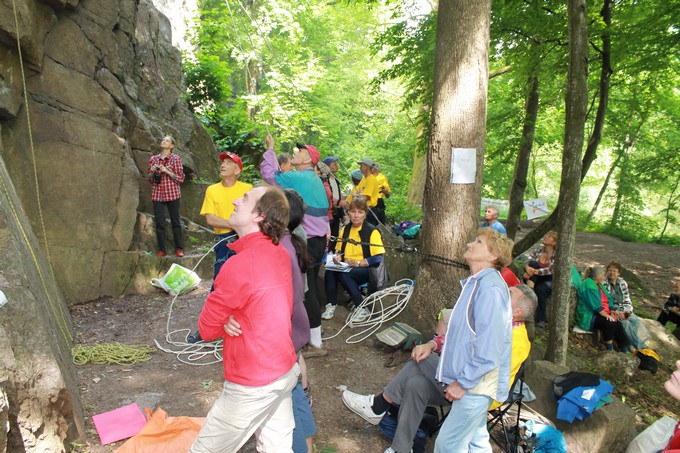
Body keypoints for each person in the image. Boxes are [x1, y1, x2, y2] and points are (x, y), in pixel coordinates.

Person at [341, 256, 531, 453]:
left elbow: (485, 372)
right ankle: (400, 448)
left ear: (517, 312)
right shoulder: (495, 322)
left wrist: (458, 379)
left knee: (421, 363)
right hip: (460, 380)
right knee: (416, 384)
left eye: (508, 294)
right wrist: (432, 344)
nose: (501, 294)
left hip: (475, 391)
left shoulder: (516, 339)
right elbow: (457, 343)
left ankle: (379, 404)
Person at [189, 184, 299, 453]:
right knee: (277, 447)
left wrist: (226, 319)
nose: (237, 200)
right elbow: (262, 305)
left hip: (252, 383)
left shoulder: (238, 265)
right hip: (283, 369)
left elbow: (206, 328)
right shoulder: (280, 253)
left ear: (259, 215)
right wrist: (231, 317)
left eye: (246, 198)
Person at [223, 189, 317, 453]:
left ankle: (301, 446)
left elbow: (272, 303)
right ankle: (308, 446)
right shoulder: (286, 243)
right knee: (294, 395)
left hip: (278, 345)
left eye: (244, 200)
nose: (236, 202)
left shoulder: (276, 249)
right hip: (289, 340)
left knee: (282, 408)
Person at [260, 134, 329, 353]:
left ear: (308, 158)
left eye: (300, 151)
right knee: (311, 288)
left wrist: (270, 149)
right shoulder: (314, 180)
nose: (296, 153)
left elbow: (270, 175)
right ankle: (313, 336)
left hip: (307, 242)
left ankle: (313, 341)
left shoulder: (301, 178)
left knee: (304, 290)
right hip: (317, 242)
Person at [186, 152, 252, 344]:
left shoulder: (247, 189)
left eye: (228, 163)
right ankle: (207, 329)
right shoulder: (212, 190)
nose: (223, 165)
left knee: (245, 282)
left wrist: (237, 226)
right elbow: (210, 218)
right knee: (219, 281)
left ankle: (243, 324)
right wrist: (234, 223)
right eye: (222, 162)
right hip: (223, 239)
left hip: (244, 238)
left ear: (237, 170)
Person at [322, 196, 386, 321]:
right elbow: (340, 251)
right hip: (347, 267)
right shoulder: (345, 229)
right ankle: (331, 305)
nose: (356, 215)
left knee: (344, 274)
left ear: (365, 214)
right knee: (330, 270)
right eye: (353, 212)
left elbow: (378, 258)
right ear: (349, 212)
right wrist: (338, 258)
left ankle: (361, 308)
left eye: (360, 212)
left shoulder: (372, 231)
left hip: (368, 270)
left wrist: (359, 263)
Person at [575, 265, 629, 351]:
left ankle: (624, 348)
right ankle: (610, 348)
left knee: (617, 323)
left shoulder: (599, 284)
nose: (605, 277)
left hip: (600, 313)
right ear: (597, 276)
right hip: (589, 316)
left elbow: (609, 298)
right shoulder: (589, 285)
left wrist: (612, 311)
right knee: (609, 322)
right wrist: (607, 316)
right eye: (603, 275)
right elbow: (595, 306)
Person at [147, 135, 185, 257]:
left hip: (173, 194)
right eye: (163, 139)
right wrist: (152, 171)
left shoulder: (176, 159)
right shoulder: (153, 159)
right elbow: (150, 180)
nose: (164, 141)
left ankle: (179, 248)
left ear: (172, 146)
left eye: (167, 140)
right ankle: (162, 249)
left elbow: (180, 178)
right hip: (158, 194)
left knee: (176, 222)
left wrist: (167, 171)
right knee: (160, 223)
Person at [601, 261, 646, 351]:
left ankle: (631, 344)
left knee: (635, 321)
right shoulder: (604, 283)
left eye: (614, 271)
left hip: (624, 309)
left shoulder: (622, 283)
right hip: (613, 310)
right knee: (625, 324)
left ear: (619, 273)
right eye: (610, 270)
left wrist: (626, 311)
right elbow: (605, 301)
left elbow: (627, 299)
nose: (612, 273)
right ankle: (639, 347)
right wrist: (617, 312)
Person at [523, 230, 557, 328]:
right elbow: (528, 261)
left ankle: (541, 319)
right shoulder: (538, 250)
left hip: (547, 279)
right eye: (546, 234)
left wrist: (534, 272)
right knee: (533, 264)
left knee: (541, 289)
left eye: (549, 236)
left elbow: (551, 270)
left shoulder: (556, 254)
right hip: (534, 277)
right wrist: (527, 269)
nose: (545, 236)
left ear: (554, 242)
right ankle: (530, 289)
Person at [345, 158, 380, 225]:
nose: (360, 167)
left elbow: (365, 197)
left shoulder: (371, 179)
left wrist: (355, 197)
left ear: (366, 167)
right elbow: (357, 191)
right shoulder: (364, 178)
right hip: (362, 209)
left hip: (369, 211)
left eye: (361, 165)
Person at [322, 157, 345, 242]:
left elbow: (338, 195)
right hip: (330, 212)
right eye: (334, 164)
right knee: (329, 236)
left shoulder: (335, 179)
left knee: (335, 236)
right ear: (327, 167)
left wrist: (342, 214)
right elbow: (329, 196)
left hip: (337, 212)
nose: (337, 166)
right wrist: (339, 202)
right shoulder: (325, 180)